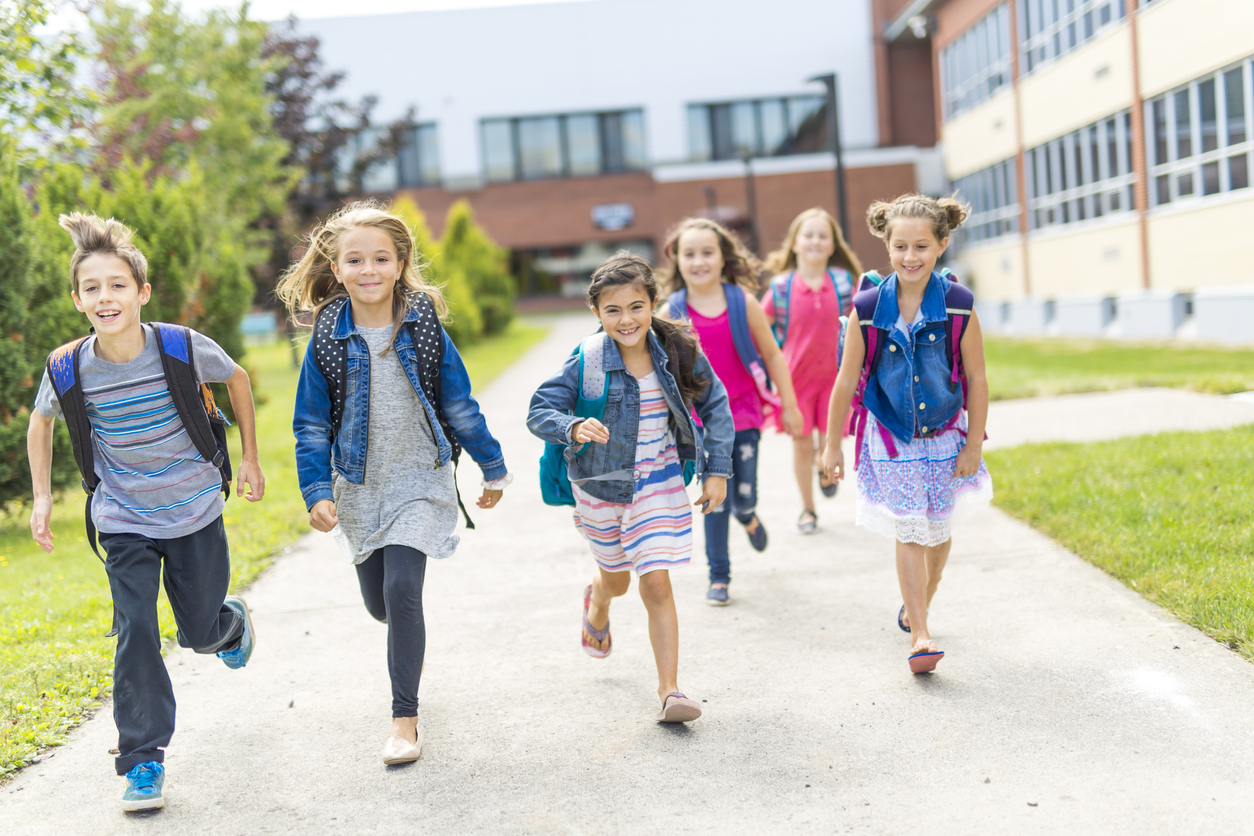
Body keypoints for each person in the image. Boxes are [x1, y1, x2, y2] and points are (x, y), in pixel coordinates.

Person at [27, 213, 265, 811]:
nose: (105, 298)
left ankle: (226, 624)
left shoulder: (180, 346)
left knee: (198, 633)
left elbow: (237, 379)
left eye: (117, 285)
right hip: (123, 517)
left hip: (193, 511)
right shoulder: (68, 366)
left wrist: (251, 459)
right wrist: (42, 497)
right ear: (77, 298)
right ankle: (141, 761)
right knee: (135, 629)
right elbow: (41, 419)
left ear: (141, 292)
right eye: (91, 288)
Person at [279, 201, 509, 764]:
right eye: (355, 260)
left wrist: (492, 463)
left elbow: (458, 401)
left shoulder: (424, 325)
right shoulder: (328, 337)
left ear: (400, 263)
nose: (369, 270)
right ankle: (401, 637)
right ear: (336, 269)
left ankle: (404, 722)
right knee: (382, 605)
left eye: (381, 258)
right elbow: (310, 422)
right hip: (358, 485)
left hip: (420, 478)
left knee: (404, 592)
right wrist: (316, 490)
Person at [527, 252, 734, 723]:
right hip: (599, 489)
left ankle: (670, 691)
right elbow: (539, 410)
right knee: (617, 581)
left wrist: (716, 469)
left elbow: (717, 404)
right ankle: (597, 599)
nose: (626, 319)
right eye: (613, 310)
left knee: (656, 581)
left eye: (636, 306)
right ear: (596, 312)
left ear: (653, 302)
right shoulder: (588, 359)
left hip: (659, 484)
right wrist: (574, 424)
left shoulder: (678, 348)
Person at [820, 194, 992, 674]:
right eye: (900, 247)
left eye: (921, 246)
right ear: (887, 245)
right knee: (910, 527)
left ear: (941, 245)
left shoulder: (958, 307)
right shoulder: (869, 309)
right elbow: (845, 379)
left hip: (945, 432)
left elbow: (977, 377)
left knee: (939, 530)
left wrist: (974, 443)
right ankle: (919, 633)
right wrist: (832, 443)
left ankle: (923, 601)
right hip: (891, 434)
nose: (910, 257)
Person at [660, 218, 803, 606]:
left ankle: (749, 514)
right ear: (677, 259)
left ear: (724, 258)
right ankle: (719, 576)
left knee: (741, 495)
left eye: (708, 252)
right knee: (714, 496)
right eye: (689, 254)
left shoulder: (743, 303)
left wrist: (789, 405)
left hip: (743, 415)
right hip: (700, 423)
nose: (699, 261)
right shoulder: (669, 311)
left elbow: (772, 354)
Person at [762, 208, 863, 534]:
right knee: (802, 445)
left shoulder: (844, 283)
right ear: (794, 244)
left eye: (823, 235)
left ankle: (825, 466)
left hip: (837, 380)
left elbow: (861, 327)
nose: (815, 241)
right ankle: (808, 508)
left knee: (830, 439)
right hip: (796, 382)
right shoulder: (780, 288)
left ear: (833, 245)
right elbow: (760, 330)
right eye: (809, 235)